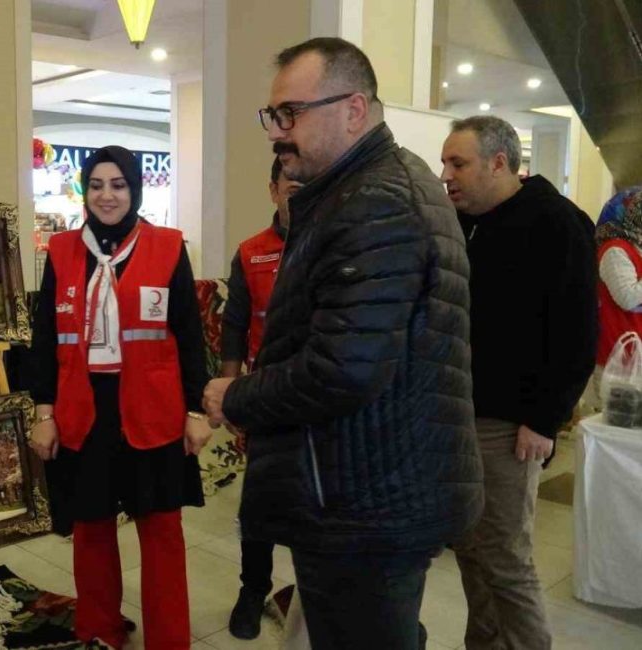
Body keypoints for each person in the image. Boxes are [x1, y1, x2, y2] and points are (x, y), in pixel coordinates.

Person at [202, 37, 483, 650]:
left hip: (369, 501)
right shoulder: (357, 191)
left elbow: (343, 369)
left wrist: (238, 396)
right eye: (273, 115)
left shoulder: (376, 200)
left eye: (291, 113)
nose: (277, 132)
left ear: (354, 109)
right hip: (364, 485)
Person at [28, 145, 212, 650]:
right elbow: (44, 338)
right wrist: (43, 411)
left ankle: (169, 641)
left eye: (118, 185)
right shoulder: (62, 251)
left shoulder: (168, 246)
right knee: (90, 531)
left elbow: (189, 337)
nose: (107, 195)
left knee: (161, 534)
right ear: (84, 191)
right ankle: (98, 631)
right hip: (83, 411)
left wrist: (197, 410)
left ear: (135, 189)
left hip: (152, 413)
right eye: (97, 185)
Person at [440, 116, 597, 650]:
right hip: (458, 415)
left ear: (499, 163)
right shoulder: (465, 222)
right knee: (467, 545)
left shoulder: (556, 222)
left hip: (511, 424)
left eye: (457, 163)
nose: (447, 175)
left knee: (505, 556)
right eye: (445, 163)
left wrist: (543, 418)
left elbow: (577, 333)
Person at [222, 153, 302, 640]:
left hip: (321, 399)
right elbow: (233, 324)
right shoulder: (252, 252)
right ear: (273, 190)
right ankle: (253, 589)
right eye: (290, 185)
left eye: (307, 182)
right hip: (267, 398)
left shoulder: (334, 243)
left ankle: (314, 593)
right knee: (259, 504)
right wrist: (230, 390)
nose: (299, 191)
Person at [595, 187, 642, 371]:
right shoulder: (615, 250)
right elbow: (628, 298)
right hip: (615, 360)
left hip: (634, 358)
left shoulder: (636, 247)